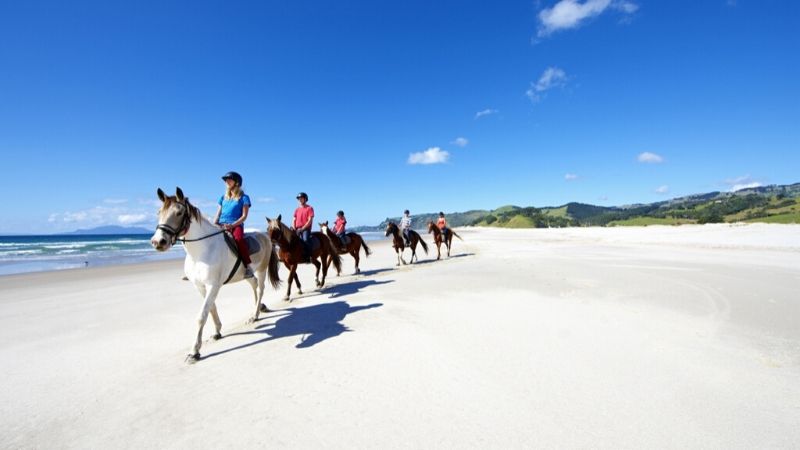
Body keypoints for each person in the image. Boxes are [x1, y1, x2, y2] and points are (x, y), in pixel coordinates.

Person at [213, 171, 254, 278]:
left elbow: (244, 216)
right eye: (226, 180)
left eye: (229, 179)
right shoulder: (223, 197)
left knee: (239, 240)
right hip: (221, 224)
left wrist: (232, 225)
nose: (226, 181)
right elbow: (218, 213)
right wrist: (214, 224)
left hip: (236, 225)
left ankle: (248, 267)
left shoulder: (244, 197)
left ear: (236, 182)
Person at [293, 192, 315, 259]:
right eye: (299, 199)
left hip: (306, 229)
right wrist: (294, 228)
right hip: (297, 228)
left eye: (301, 198)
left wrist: (302, 228)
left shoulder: (310, 208)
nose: (300, 200)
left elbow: (310, 220)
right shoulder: (297, 209)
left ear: (305, 199)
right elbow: (294, 219)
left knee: (305, 240)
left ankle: (309, 256)